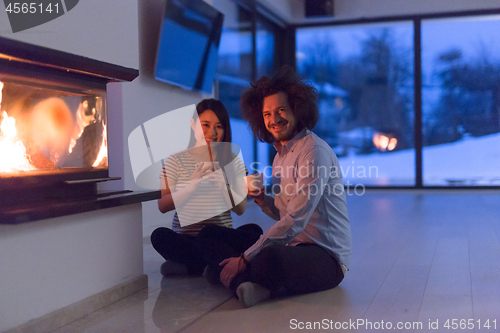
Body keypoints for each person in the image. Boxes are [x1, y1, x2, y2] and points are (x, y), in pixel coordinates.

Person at [197, 67, 352, 307]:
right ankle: (247, 283)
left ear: (297, 110)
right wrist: (260, 199)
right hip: (291, 244)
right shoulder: (280, 155)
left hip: (324, 257)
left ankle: (231, 275)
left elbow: (296, 220)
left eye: (281, 110)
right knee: (209, 233)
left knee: (267, 257)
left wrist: (245, 258)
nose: (274, 119)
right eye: (267, 113)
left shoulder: (314, 151)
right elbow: (282, 212)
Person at [151, 99, 262, 277]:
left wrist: (223, 186)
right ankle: (213, 265)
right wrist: (191, 187)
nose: (212, 132)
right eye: (206, 125)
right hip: (187, 240)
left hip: (217, 236)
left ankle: (190, 267)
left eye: (219, 126)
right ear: (193, 124)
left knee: (254, 231)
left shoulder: (232, 161)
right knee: (159, 236)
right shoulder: (175, 160)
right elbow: (162, 205)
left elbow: (241, 209)